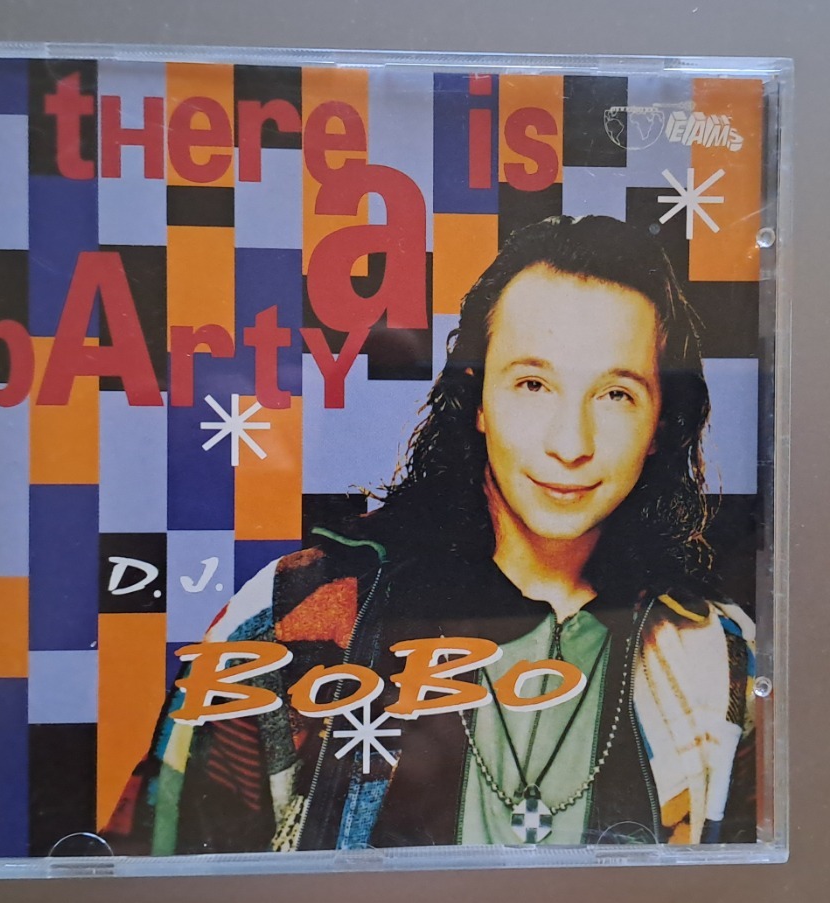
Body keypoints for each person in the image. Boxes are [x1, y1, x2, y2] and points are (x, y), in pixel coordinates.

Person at [102, 215, 756, 854]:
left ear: (660, 423)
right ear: (477, 400)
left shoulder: (720, 653)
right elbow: (158, 872)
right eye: (533, 384)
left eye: (616, 394)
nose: (570, 443)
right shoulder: (293, 616)